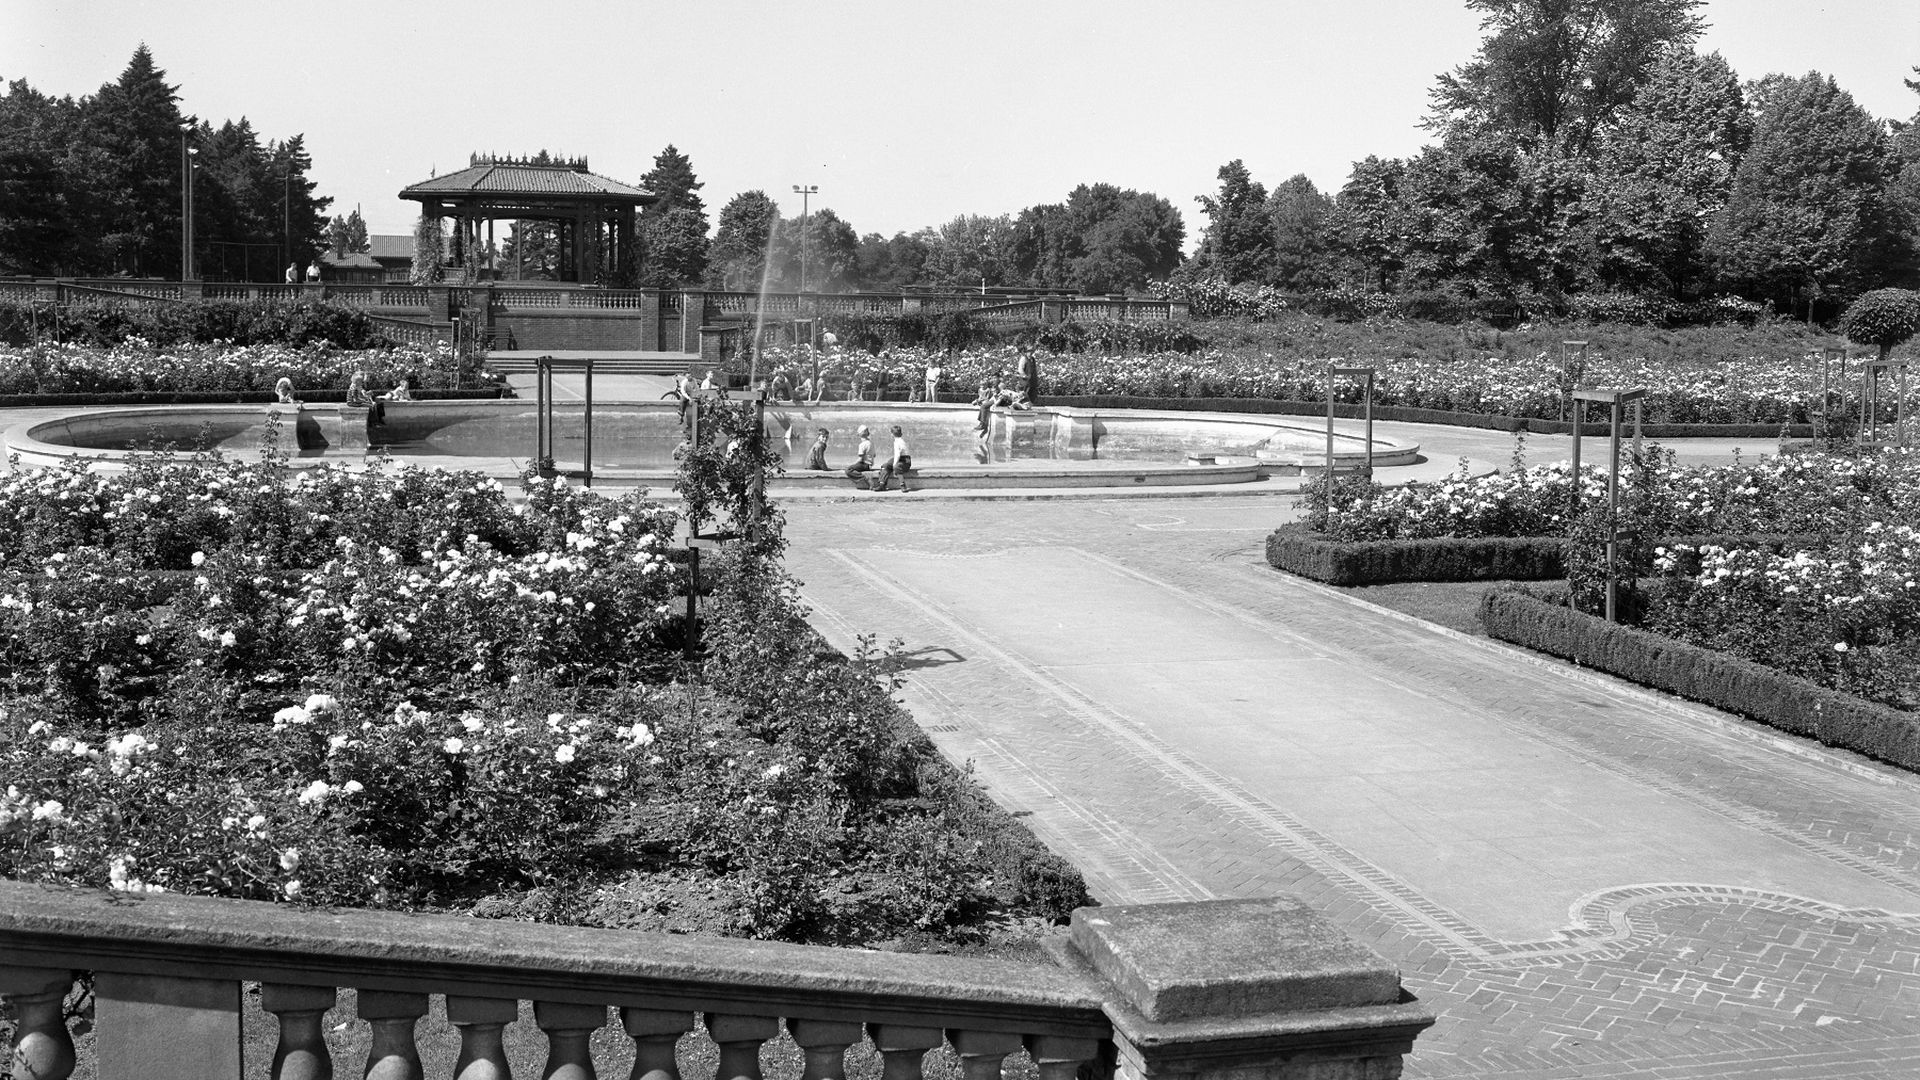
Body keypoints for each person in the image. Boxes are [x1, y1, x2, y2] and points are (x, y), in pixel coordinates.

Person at [875, 424, 912, 493]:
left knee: (896, 467)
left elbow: (898, 455)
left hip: (904, 461)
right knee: (886, 465)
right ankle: (882, 484)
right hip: (906, 460)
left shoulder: (897, 442)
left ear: (892, 434)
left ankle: (903, 485)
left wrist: (894, 464)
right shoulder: (901, 441)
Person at [844, 424, 877, 489]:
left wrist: (852, 465)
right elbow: (874, 455)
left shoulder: (862, 445)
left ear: (859, 434)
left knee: (848, 470)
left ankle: (865, 478)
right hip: (870, 465)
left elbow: (860, 459)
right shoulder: (871, 443)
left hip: (864, 465)